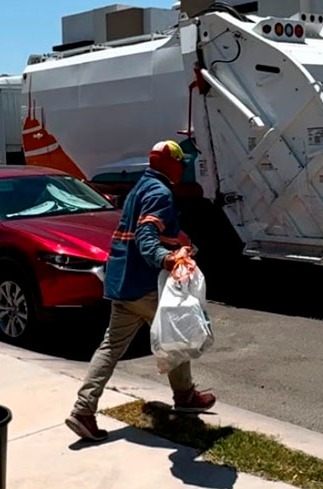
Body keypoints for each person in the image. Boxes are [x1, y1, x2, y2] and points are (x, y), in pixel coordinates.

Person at [66, 140, 217, 441]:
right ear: (170, 163)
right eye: (180, 162)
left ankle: (83, 410)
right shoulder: (159, 192)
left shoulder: (140, 187)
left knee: (110, 348)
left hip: (122, 282)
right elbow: (146, 237)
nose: (182, 167)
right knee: (177, 336)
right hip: (145, 284)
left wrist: (175, 246)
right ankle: (185, 397)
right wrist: (168, 258)